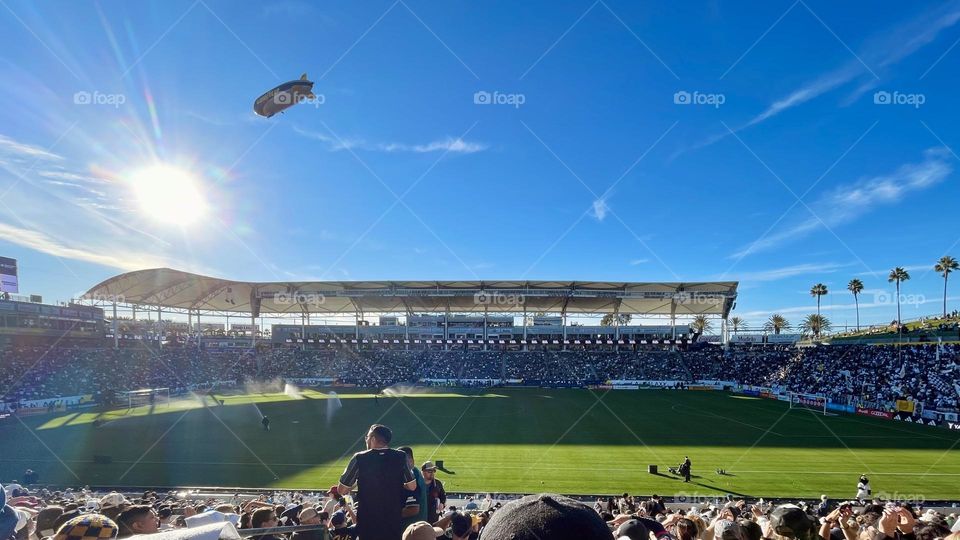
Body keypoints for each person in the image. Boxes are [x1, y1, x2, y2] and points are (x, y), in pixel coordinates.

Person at [338, 424, 416, 540]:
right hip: (392, 520)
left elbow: (342, 490)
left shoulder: (359, 458)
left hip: (368, 522)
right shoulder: (401, 456)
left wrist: (356, 484)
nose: (366, 439)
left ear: (373, 439)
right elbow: (412, 486)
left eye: (367, 437)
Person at [398, 447, 427, 531]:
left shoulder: (410, 477)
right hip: (417, 528)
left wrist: (389, 514)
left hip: (410, 530)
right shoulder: (415, 472)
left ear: (412, 461)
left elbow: (413, 509)